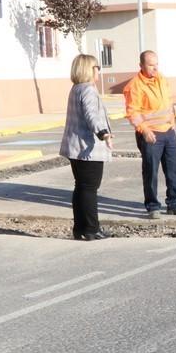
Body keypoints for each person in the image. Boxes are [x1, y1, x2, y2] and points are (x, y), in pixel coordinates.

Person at [123, 50, 176, 219]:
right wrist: (144, 130)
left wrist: (173, 121)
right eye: (150, 65)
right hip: (150, 134)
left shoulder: (161, 79)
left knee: (175, 169)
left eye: (156, 64)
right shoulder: (135, 85)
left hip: (168, 131)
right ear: (141, 66)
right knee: (151, 171)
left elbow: (169, 102)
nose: (155, 68)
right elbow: (133, 112)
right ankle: (152, 206)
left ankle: (175, 204)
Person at [60, 54, 113, 241]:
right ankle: (92, 229)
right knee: (89, 188)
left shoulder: (76, 88)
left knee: (81, 188)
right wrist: (103, 133)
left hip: (75, 148)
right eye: (96, 67)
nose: (98, 70)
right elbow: (92, 115)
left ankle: (80, 228)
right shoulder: (88, 90)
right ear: (89, 69)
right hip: (88, 149)